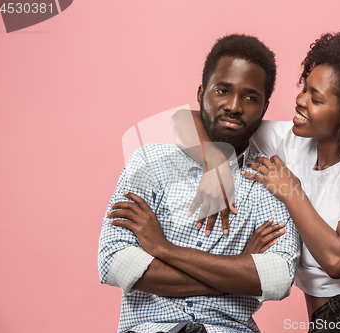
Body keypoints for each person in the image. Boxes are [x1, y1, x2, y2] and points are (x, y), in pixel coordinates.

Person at [176, 32, 340, 332]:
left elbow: (338, 260)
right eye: (304, 89)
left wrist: (291, 191)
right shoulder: (284, 141)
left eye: (316, 98)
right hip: (324, 322)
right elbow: (186, 119)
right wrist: (215, 163)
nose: (300, 101)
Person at [98, 34, 301, 333]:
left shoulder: (270, 179)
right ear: (201, 92)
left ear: (264, 106)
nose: (233, 106)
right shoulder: (150, 163)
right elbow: (114, 262)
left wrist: (163, 249)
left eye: (249, 97)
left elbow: (278, 277)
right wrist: (240, 268)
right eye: (223, 90)